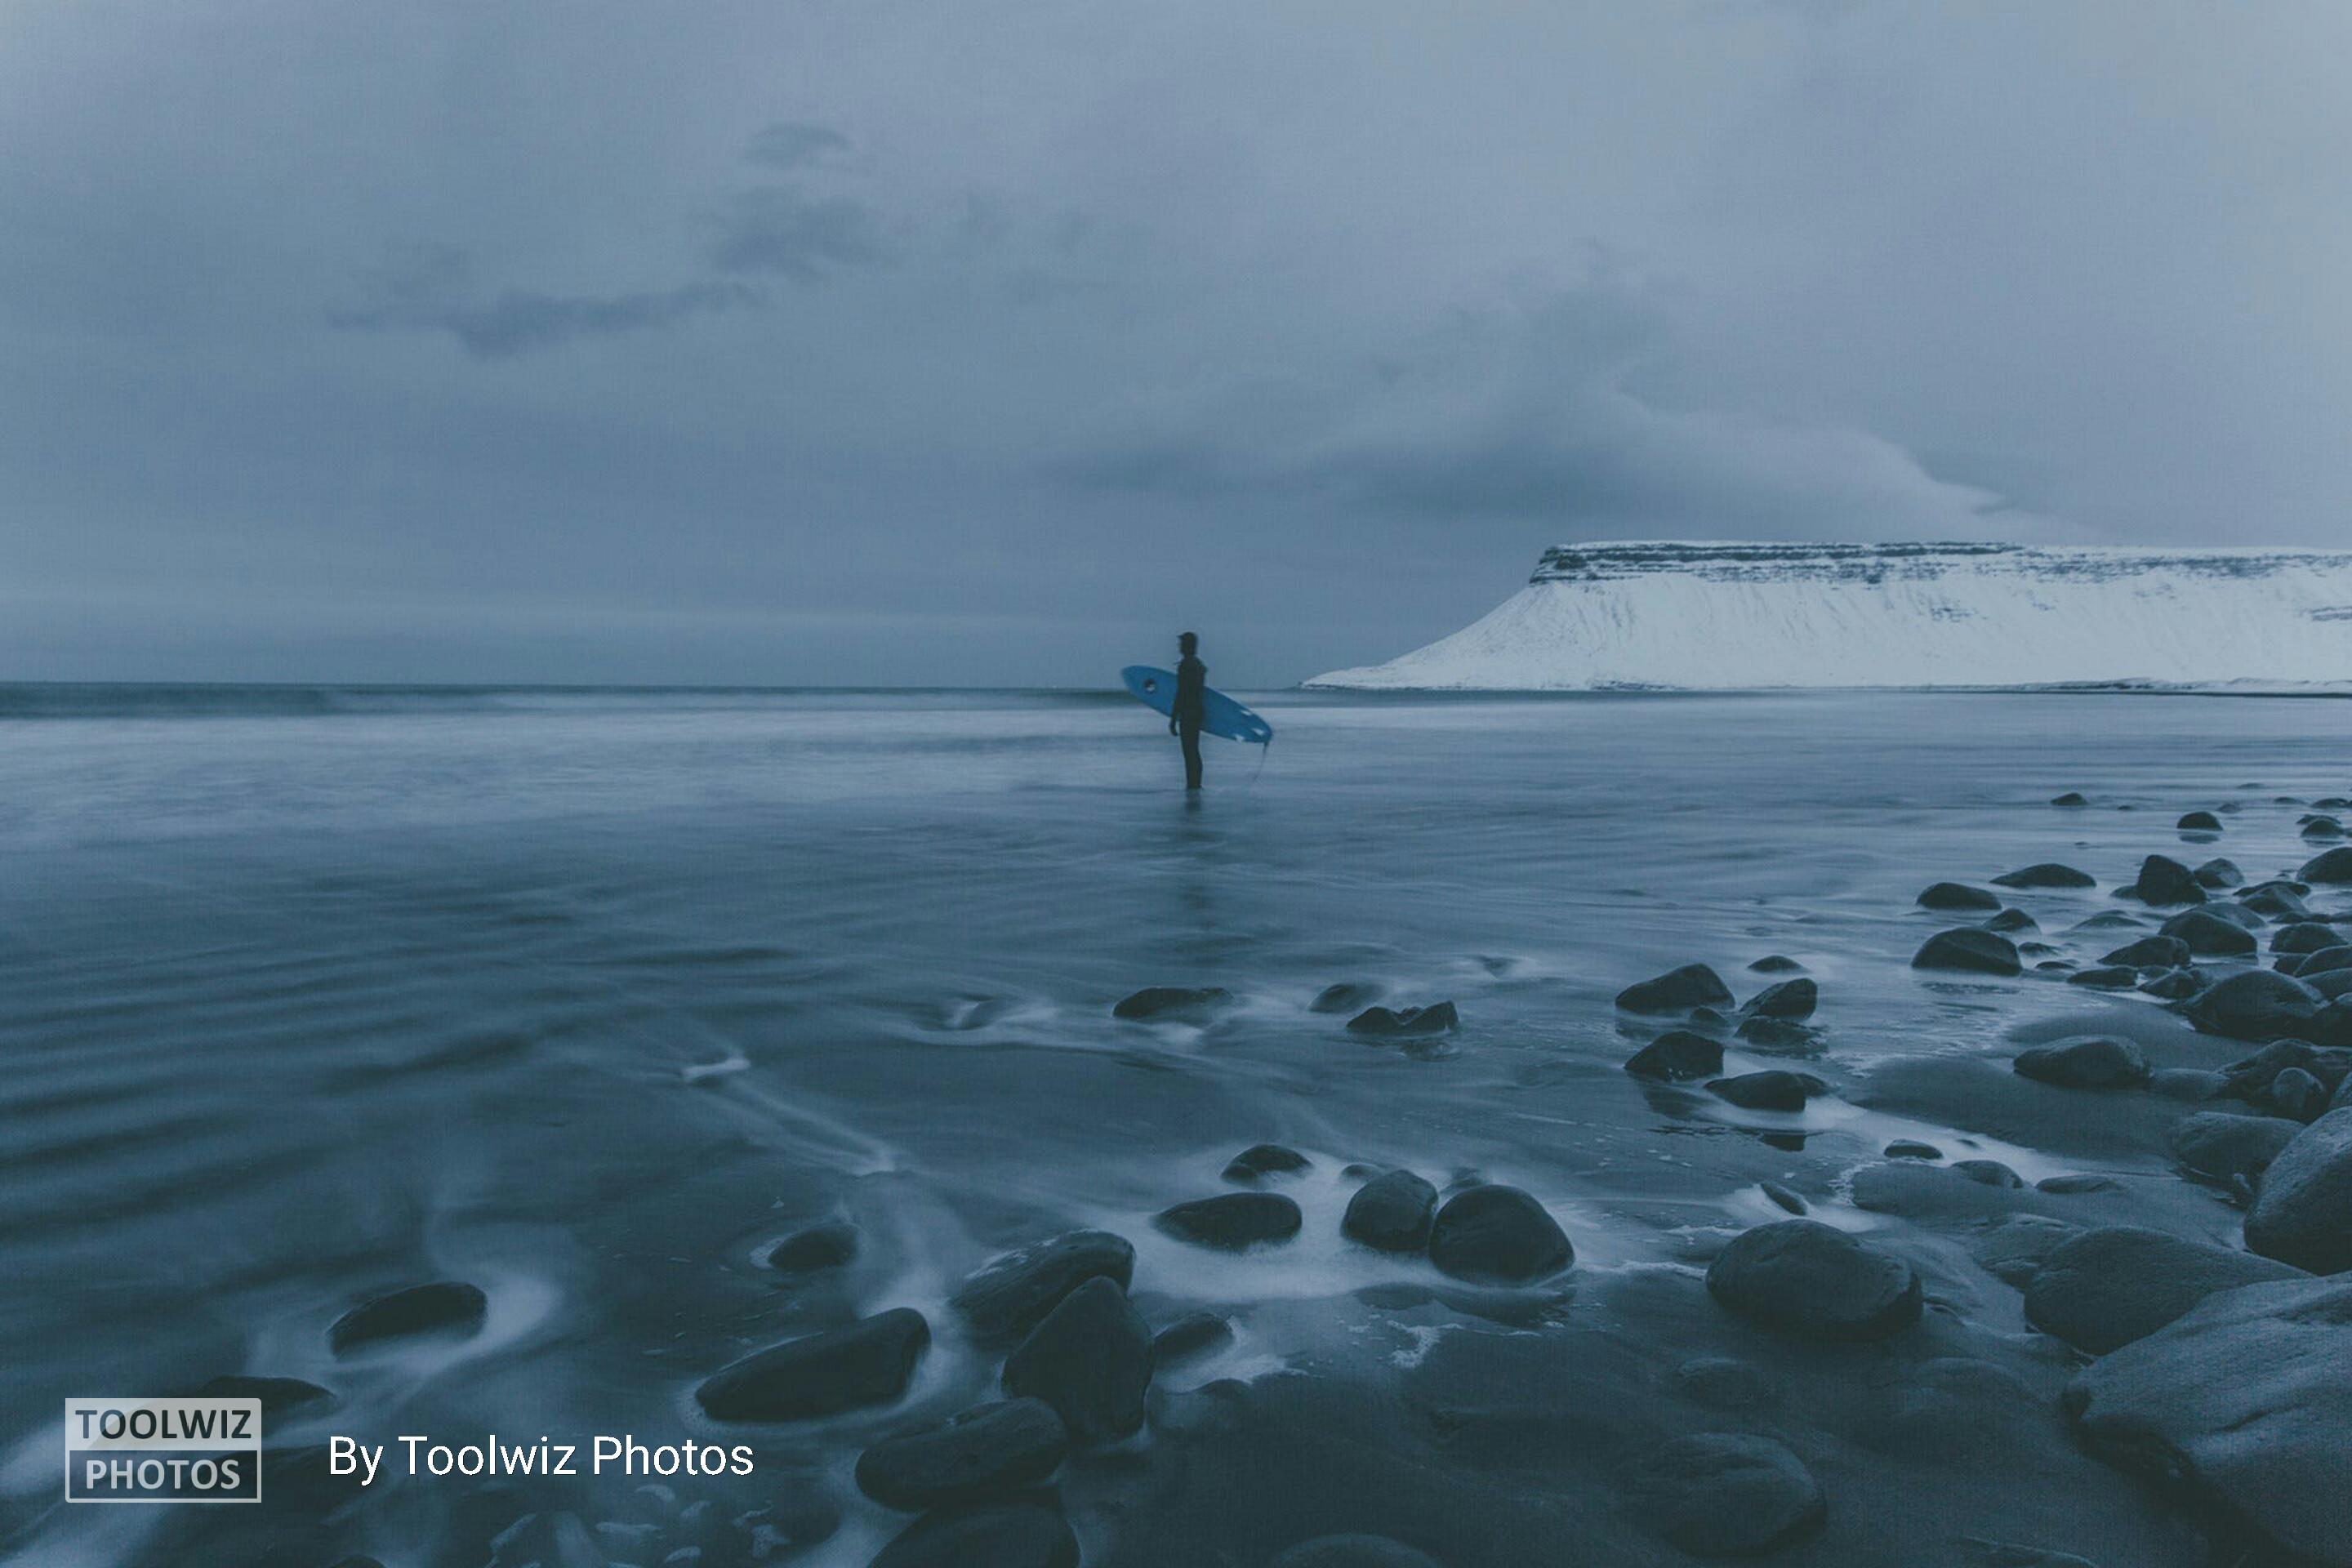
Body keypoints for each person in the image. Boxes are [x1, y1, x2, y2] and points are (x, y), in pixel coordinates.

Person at [1169, 631, 1206, 791]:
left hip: (1187, 712)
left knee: (1189, 751)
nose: (1179, 646)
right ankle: (1196, 784)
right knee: (1194, 750)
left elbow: (1182, 692)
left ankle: (1192, 785)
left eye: (1181, 643)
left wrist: (1173, 718)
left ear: (1188, 645)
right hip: (1197, 711)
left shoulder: (1185, 665)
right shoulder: (1198, 665)